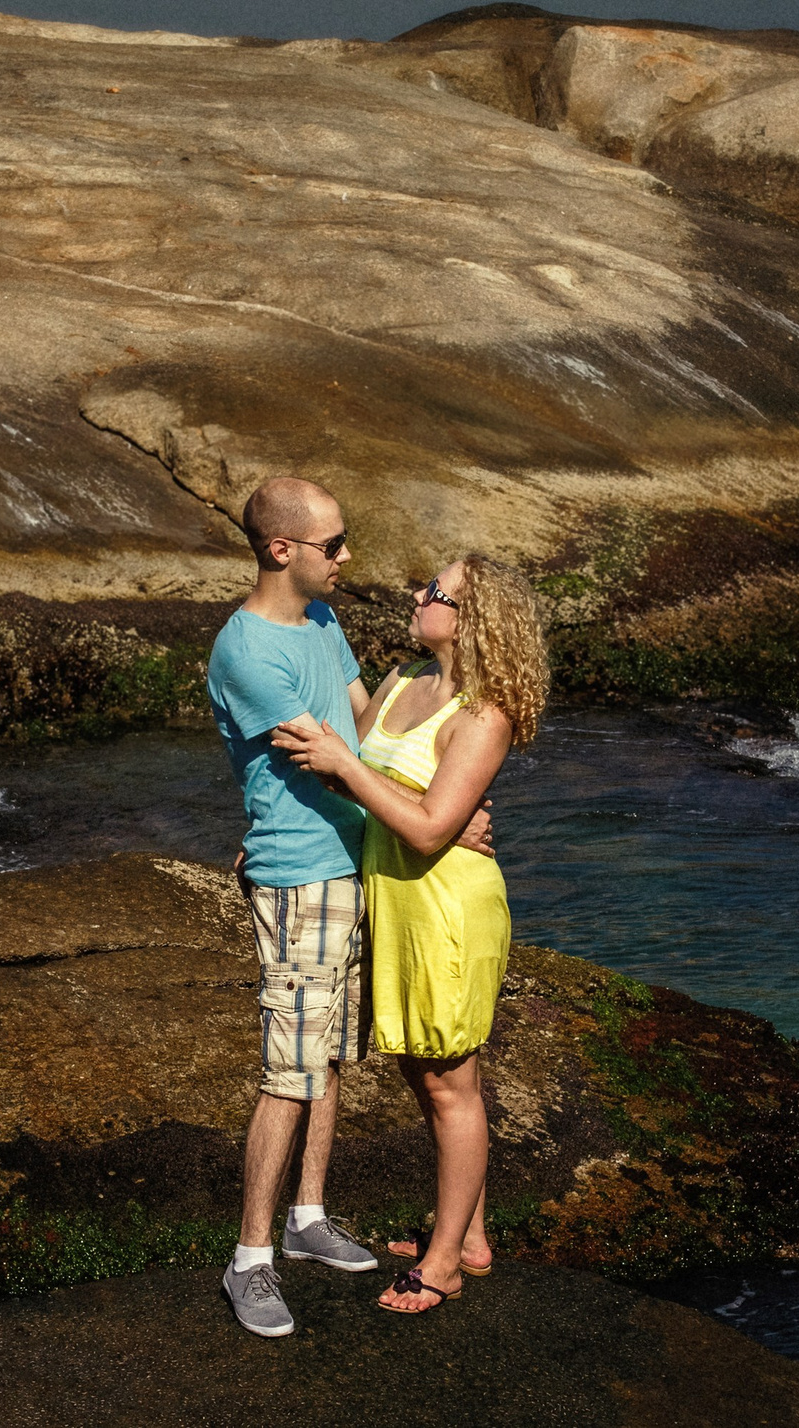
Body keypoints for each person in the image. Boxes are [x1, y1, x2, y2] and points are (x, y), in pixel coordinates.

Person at [205, 476, 493, 1338]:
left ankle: (309, 1216)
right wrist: (440, 823)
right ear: (280, 549)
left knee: (328, 1051)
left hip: (354, 861)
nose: (348, 557)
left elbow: (361, 733)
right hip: (302, 873)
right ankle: (250, 1257)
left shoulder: (323, 623)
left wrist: (446, 800)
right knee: (289, 1068)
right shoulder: (248, 652)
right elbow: (324, 763)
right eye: (333, 544)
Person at [271, 553, 548, 1315]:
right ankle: (471, 1235)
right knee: (424, 1073)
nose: (418, 593)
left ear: (471, 618)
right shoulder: (398, 680)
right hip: (395, 903)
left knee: (448, 1082)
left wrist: (436, 814)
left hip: (447, 911)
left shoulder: (485, 711)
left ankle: (445, 1264)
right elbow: (347, 776)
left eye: (436, 590)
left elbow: (424, 827)